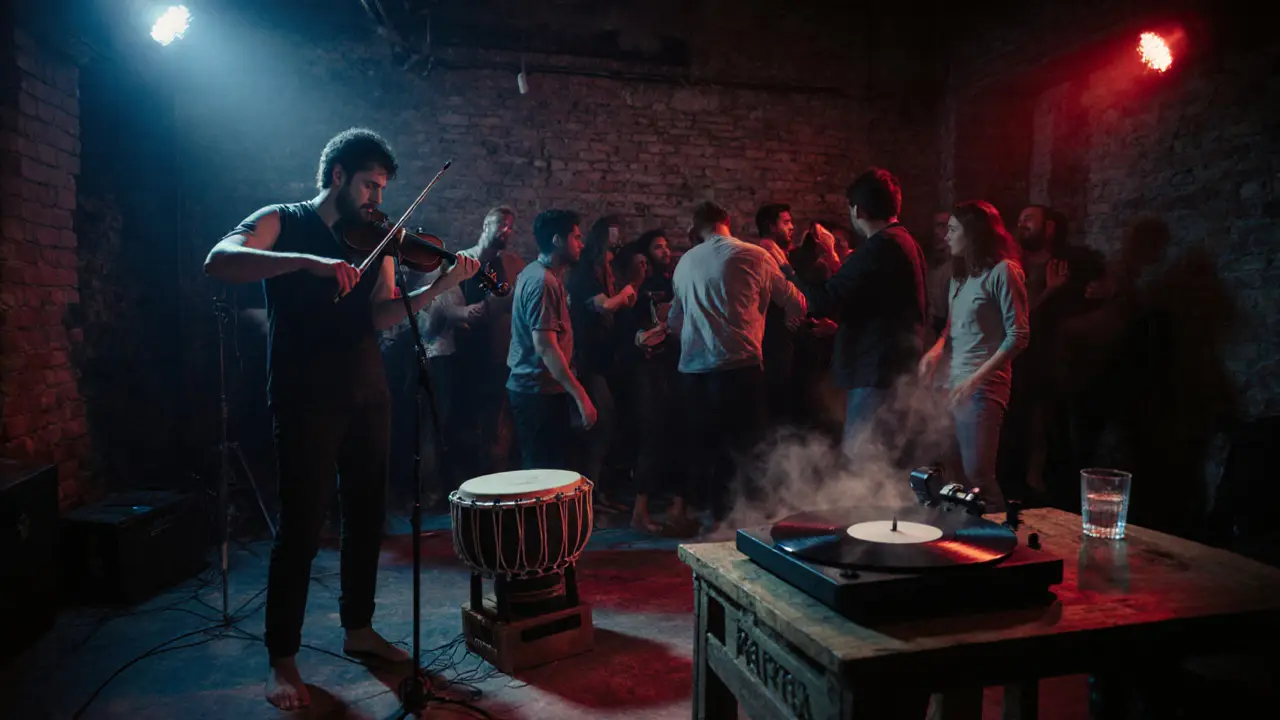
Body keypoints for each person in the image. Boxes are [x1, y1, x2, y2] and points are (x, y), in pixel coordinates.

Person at [203, 127, 480, 711]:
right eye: (370, 186)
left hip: (367, 392)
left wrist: (436, 285)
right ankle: (283, 658)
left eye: (382, 189)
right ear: (338, 176)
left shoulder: (376, 240)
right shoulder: (284, 219)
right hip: (304, 395)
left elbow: (381, 317)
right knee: (301, 529)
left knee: (365, 519)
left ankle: (359, 628)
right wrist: (307, 262)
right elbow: (219, 260)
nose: (378, 200)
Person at [668, 200, 806, 528]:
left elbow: (674, 321)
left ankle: (709, 521)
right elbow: (797, 301)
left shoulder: (684, 262)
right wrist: (786, 327)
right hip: (741, 369)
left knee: (703, 450)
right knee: (749, 452)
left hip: (694, 373)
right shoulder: (755, 255)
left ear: (695, 228)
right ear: (726, 222)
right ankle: (749, 524)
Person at [788, 168, 927, 470]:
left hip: (875, 372)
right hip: (890, 372)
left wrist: (800, 265)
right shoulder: (902, 241)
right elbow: (861, 292)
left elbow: (823, 301)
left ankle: (870, 519)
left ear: (858, 210)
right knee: (882, 465)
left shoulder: (880, 246)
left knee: (866, 467)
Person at [919, 200, 1029, 512]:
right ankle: (965, 540)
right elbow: (951, 329)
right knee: (952, 474)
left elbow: (1019, 336)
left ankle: (1000, 538)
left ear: (973, 232)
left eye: (952, 229)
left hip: (984, 388)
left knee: (977, 473)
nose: (945, 236)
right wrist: (935, 351)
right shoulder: (960, 276)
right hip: (953, 384)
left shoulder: (1004, 272)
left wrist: (973, 381)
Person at [506, 209, 595, 470]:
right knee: (542, 475)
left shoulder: (540, 274)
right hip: (536, 392)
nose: (581, 244)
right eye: (576, 237)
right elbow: (545, 346)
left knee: (548, 471)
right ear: (557, 240)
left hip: (541, 390)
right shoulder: (542, 281)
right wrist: (581, 396)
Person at [443, 207, 526, 480]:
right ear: (486, 224)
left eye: (510, 226)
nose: (506, 230)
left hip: (501, 353)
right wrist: (476, 311)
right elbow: (449, 307)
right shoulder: (463, 261)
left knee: (497, 423)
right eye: (502, 224)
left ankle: (495, 480)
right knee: (465, 421)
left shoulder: (513, 264)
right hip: (467, 354)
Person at [566, 215, 637, 510]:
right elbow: (605, 305)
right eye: (611, 244)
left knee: (610, 425)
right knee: (600, 423)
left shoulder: (607, 273)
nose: (615, 251)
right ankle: (587, 494)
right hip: (587, 360)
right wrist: (626, 293)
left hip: (607, 360)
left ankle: (597, 491)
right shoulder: (583, 274)